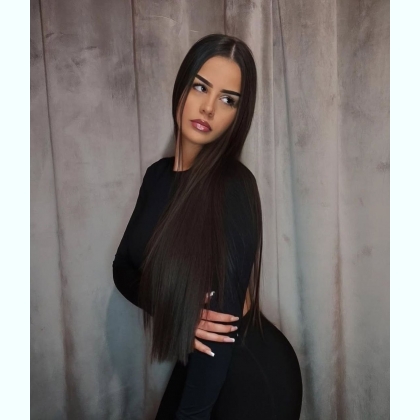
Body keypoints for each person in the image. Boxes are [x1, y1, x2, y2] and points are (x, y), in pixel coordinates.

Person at [113, 34, 302, 420]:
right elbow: (123, 269)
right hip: (200, 359)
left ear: (238, 115)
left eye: (228, 99)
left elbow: (222, 332)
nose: (209, 107)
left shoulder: (235, 187)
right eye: (201, 87)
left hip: (249, 370)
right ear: (182, 86)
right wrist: (176, 308)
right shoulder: (156, 177)